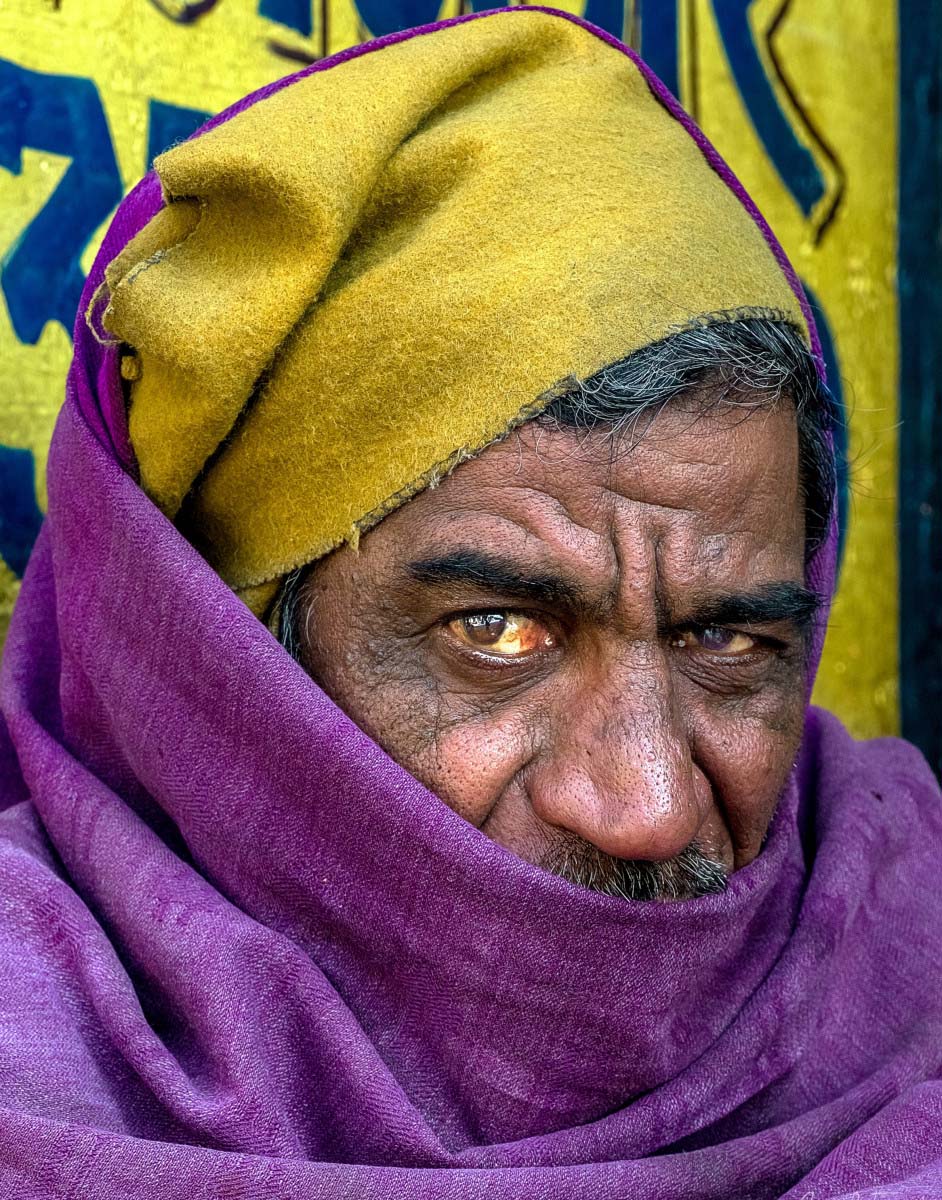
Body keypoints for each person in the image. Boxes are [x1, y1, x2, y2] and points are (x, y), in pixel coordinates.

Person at [0, 7, 939, 1198]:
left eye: (727, 639)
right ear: (219, 675)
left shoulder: (903, 936)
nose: (647, 809)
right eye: (496, 633)